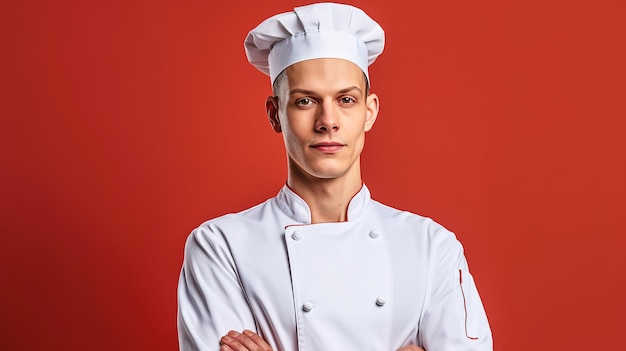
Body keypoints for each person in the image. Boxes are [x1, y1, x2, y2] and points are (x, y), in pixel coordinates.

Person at [177, 3, 492, 351]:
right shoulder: (220, 247)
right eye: (305, 101)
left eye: (345, 99)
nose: (328, 120)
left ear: (368, 112)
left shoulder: (432, 248)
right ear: (274, 114)